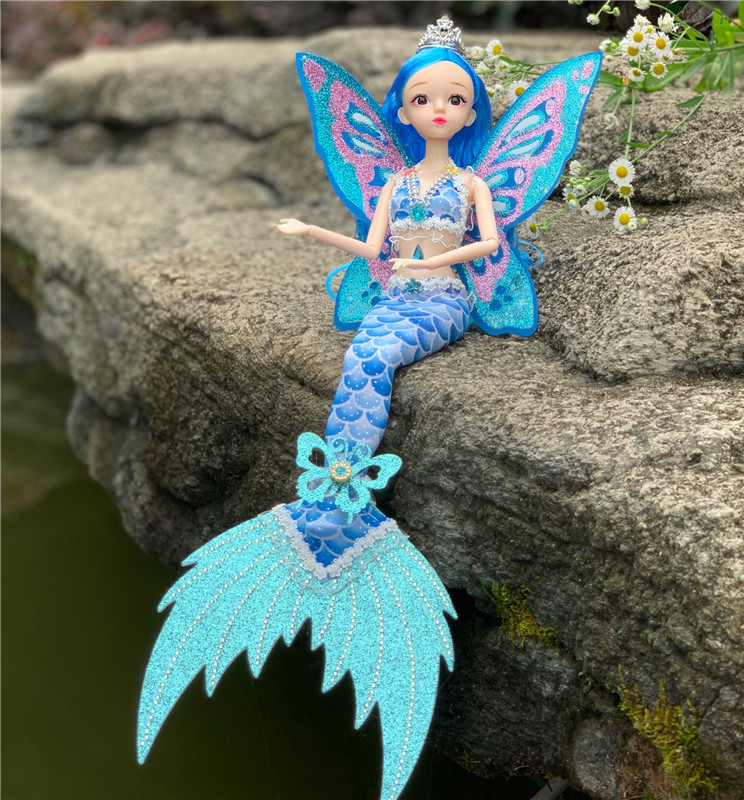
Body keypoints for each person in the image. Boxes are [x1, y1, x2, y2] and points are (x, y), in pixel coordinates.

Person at [138, 18, 601, 800]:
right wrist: (314, 230)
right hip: (395, 294)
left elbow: (488, 245)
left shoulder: (472, 185)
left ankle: (341, 506)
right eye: (424, 99)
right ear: (402, 110)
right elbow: (374, 251)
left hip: (444, 301)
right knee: (361, 356)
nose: (439, 109)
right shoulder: (393, 184)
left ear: (471, 109)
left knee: (376, 358)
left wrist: (441, 257)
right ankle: (332, 509)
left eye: (454, 99)